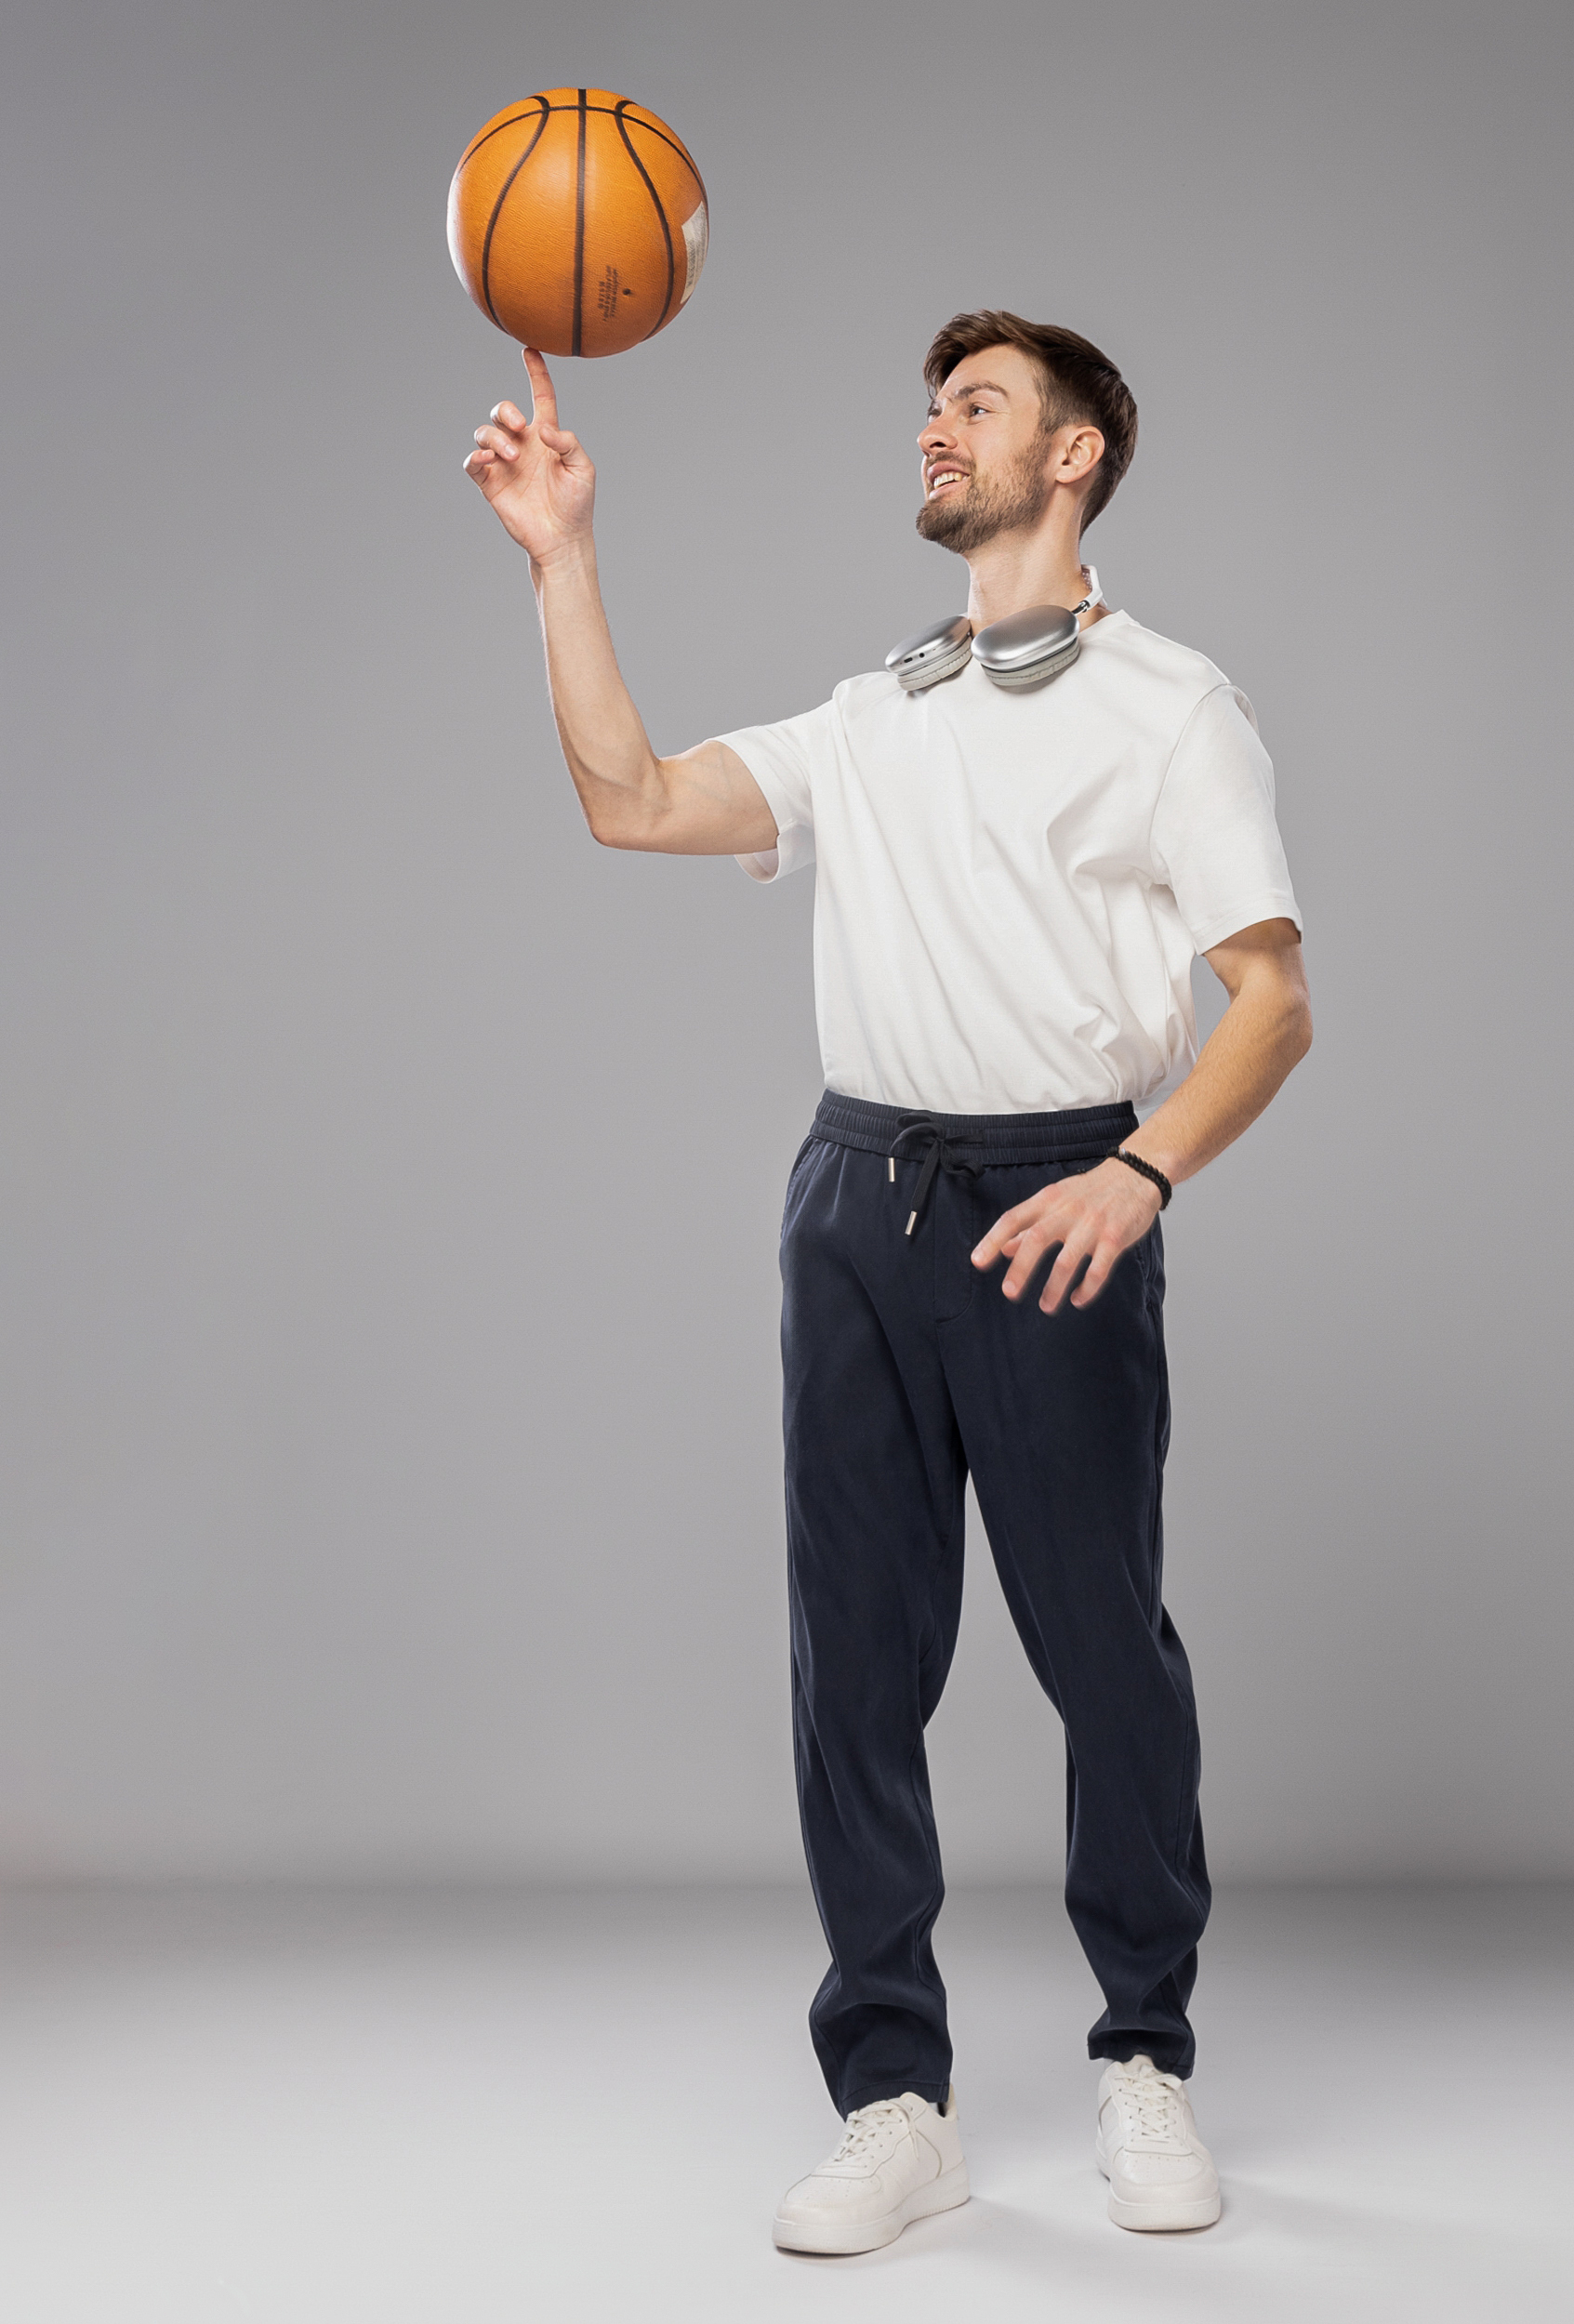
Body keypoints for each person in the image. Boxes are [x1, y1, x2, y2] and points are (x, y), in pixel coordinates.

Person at [463, 310, 1311, 2252]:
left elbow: (1271, 1001)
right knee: (852, 1660)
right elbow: (629, 797)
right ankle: (891, 2096)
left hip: (1053, 1196)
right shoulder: (873, 714)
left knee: (1101, 1647)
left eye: (978, 406)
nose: (936, 431)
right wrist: (562, 558)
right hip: (854, 1197)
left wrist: (1137, 1172)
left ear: (1074, 455)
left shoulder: (1173, 707)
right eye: (931, 406)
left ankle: (1144, 2053)